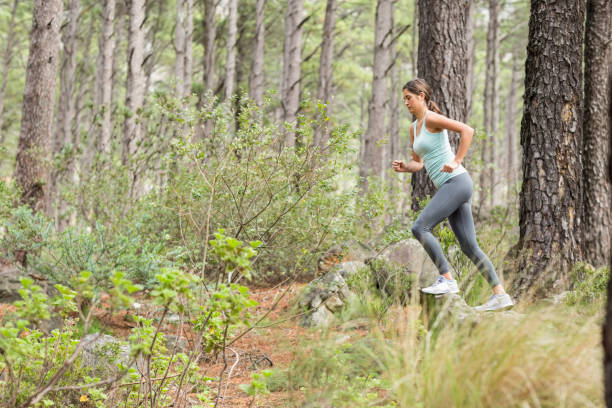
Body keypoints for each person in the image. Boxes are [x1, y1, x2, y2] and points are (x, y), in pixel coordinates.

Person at [392, 78, 514, 312]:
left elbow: (467, 130)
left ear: (421, 96)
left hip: (457, 181)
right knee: (469, 247)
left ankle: (447, 279)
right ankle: (500, 295)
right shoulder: (413, 128)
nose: (406, 102)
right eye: (403, 99)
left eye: (409, 98)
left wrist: (456, 160)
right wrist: (405, 167)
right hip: (454, 185)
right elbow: (419, 164)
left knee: (419, 227)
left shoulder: (432, 119)